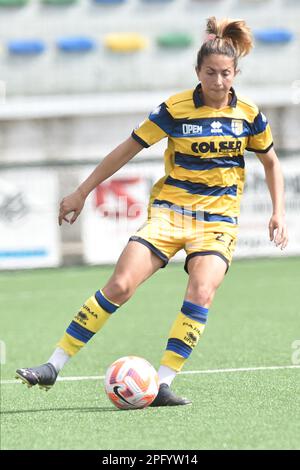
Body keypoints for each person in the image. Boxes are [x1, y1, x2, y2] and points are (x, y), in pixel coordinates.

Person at [16, 17, 288, 406]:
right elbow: (127, 149)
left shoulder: (249, 114)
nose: (217, 81)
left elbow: (272, 162)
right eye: (209, 72)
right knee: (121, 285)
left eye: (225, 74)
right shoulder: (174, 109)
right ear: (197, 71)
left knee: (202, 289)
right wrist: (81, 191)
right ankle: (52, 365)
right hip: (169, 214)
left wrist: (278, 212)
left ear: (236, 73)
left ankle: (161, 383)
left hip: (217, 222)